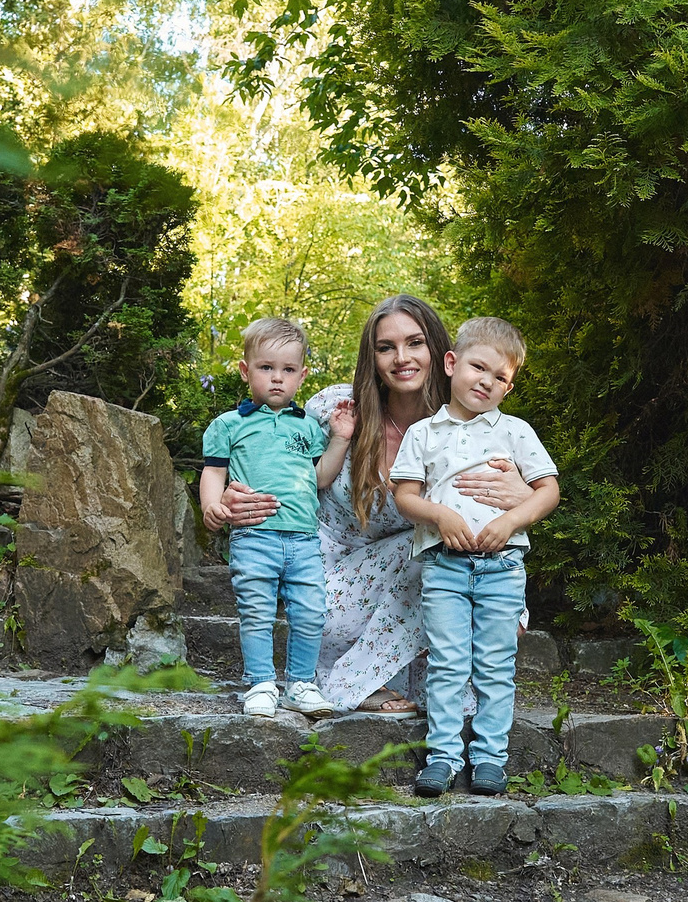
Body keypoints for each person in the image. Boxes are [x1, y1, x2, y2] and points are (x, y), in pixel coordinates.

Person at [218, 296, 538, 713]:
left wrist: (523, 497)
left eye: (415, 343)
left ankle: (403, 680)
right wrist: (230, 493)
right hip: (323, 587)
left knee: (460, 572)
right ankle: (348, 682)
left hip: (415, 589)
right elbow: (268, 451)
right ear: (371, 356)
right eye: (386, 347)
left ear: (442, 354)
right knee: (432, 556)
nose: (401, 358)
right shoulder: (335, 410)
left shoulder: (473, 430)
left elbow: (497, 515)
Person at [388, 316, 561, 796]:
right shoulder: (424, 433)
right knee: (446, 663)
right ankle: (443, 757)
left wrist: (511, 521)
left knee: (495, 665)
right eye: (478, 367)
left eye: (501, 377)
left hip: (502, 567)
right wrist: (440, 516)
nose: (487, 381)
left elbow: (548, 492)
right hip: (444, 565)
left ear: (510, 386)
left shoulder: (516, 432)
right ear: (451, 363)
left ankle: (489, 759)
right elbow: (405, 495)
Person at [198, 316, 350, 719]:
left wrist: (340, 438)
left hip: (303, 539)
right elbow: (213, 471)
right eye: (267, 368)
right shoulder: (230, 425)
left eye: (287, 370)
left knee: (311, 611)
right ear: (247, 371)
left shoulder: (309, 428)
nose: (277, 379)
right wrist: (212, 505)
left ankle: (301, 683)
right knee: (256, 611)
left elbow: (320, 477)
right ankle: (261, 682)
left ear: (302, 376)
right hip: (254, 537)